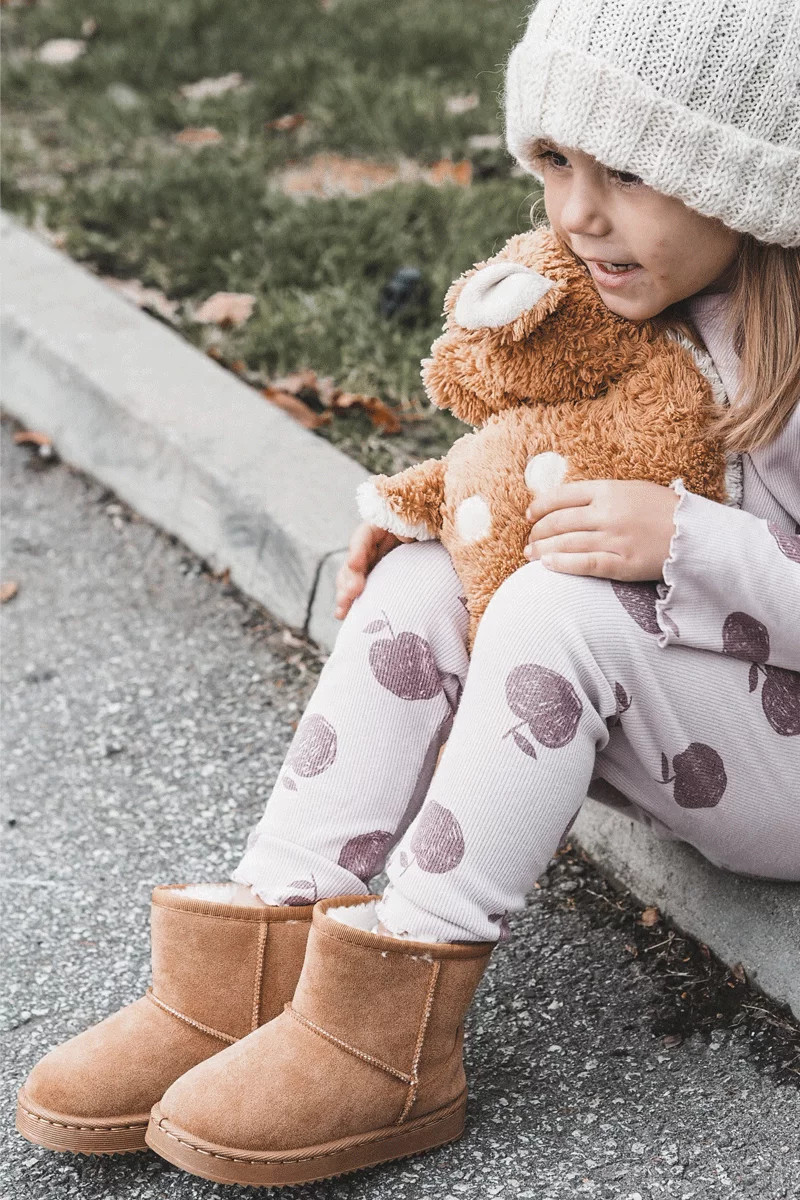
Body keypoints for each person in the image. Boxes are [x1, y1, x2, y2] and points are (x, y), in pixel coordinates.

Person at [17, 0, 799, 1187]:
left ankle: (390, 1025)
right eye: (554, 162)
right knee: (434, 574)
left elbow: (677, 532)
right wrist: (448, 506)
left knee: (551, 607)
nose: (577, 214)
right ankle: (258, 956)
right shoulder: (641, 285)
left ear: (745, 177)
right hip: (721, 719)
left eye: (629, 174)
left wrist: (693, 544)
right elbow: (562, 446)